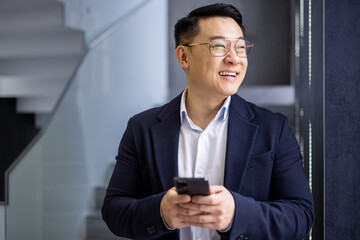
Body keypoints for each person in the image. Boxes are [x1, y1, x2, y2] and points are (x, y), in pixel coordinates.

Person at [102, 3, 314, 240]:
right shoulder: (141, 128)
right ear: (184, 56)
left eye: (241, 47)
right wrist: (160, 212)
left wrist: (237, 213)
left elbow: (301, 216)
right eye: (219, 46)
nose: (234, 58)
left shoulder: (273, 129)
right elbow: (113, 210)